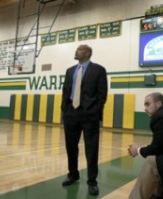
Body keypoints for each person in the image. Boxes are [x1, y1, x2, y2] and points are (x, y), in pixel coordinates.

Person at [61, 44, 108, 196]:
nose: (76, 51)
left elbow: (102, 94)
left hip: (89, 115)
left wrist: (95, 110)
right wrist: (65, 108)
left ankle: (92, 181)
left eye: (80, 49)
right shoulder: (70, 71)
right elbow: (66, 91)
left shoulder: (99, 70)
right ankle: (73, 174)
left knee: (92, 149)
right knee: (71, 146)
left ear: (87, 53)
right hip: (71, 114)